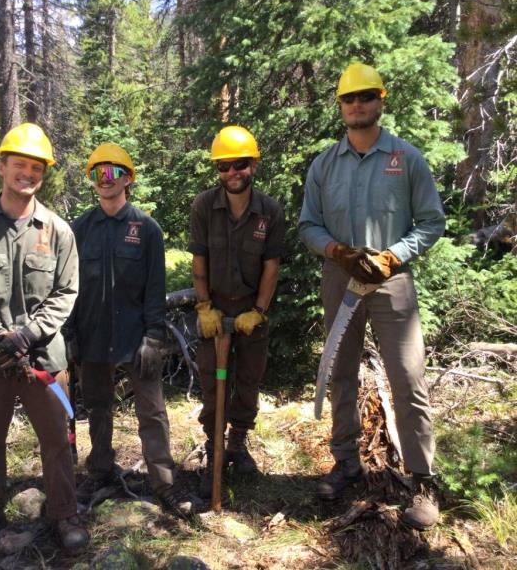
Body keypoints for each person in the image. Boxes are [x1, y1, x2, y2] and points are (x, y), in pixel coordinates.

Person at [299, 62, 445, 530]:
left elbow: (431, 221)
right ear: (340, 106)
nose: (357, 104)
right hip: (340, 279)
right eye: (349, 98)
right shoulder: (325, 164)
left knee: (408, 378)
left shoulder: (406, 159)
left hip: (391, 281)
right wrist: (335, 249)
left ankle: (421, 480)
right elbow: (308, 225)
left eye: (365, 96)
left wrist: (392, 256)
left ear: (381, 99)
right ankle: (346, 464)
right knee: (340, 375)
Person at [0, 123, 89, 559]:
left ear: (43, 173)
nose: (26, 174)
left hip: (45, 357)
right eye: (19, 165)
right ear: (2, 166)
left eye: (36, 167)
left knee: (58, 438)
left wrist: (28, 334)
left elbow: (67, 292)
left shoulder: (59, 231)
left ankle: (64, 513)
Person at [64, 143, 201, 517]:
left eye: (112, 173)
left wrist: (154, 337)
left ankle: (163, 484)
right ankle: (102, 471)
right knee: (98, 406)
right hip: (92, 337)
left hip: (137, 338)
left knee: (152, 411)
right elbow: (70, 287)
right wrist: (71, 333)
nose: (104, 181)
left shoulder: (147, 230)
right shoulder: (79, 229)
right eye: (97, 174)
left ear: (128, 178)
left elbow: (155, 289)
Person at [188, 126, 286, 497]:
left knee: (247, 383)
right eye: (224, 166)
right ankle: (214, 449)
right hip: (213, 314)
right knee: (213, 388)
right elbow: (199, 261)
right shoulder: (203, 207)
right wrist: (204, 308)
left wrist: (258, 311)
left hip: (250, 317)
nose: (232, 173)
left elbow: (271, 266)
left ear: (253, 165)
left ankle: (237, 445)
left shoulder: (270, 212)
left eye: (240, 165)